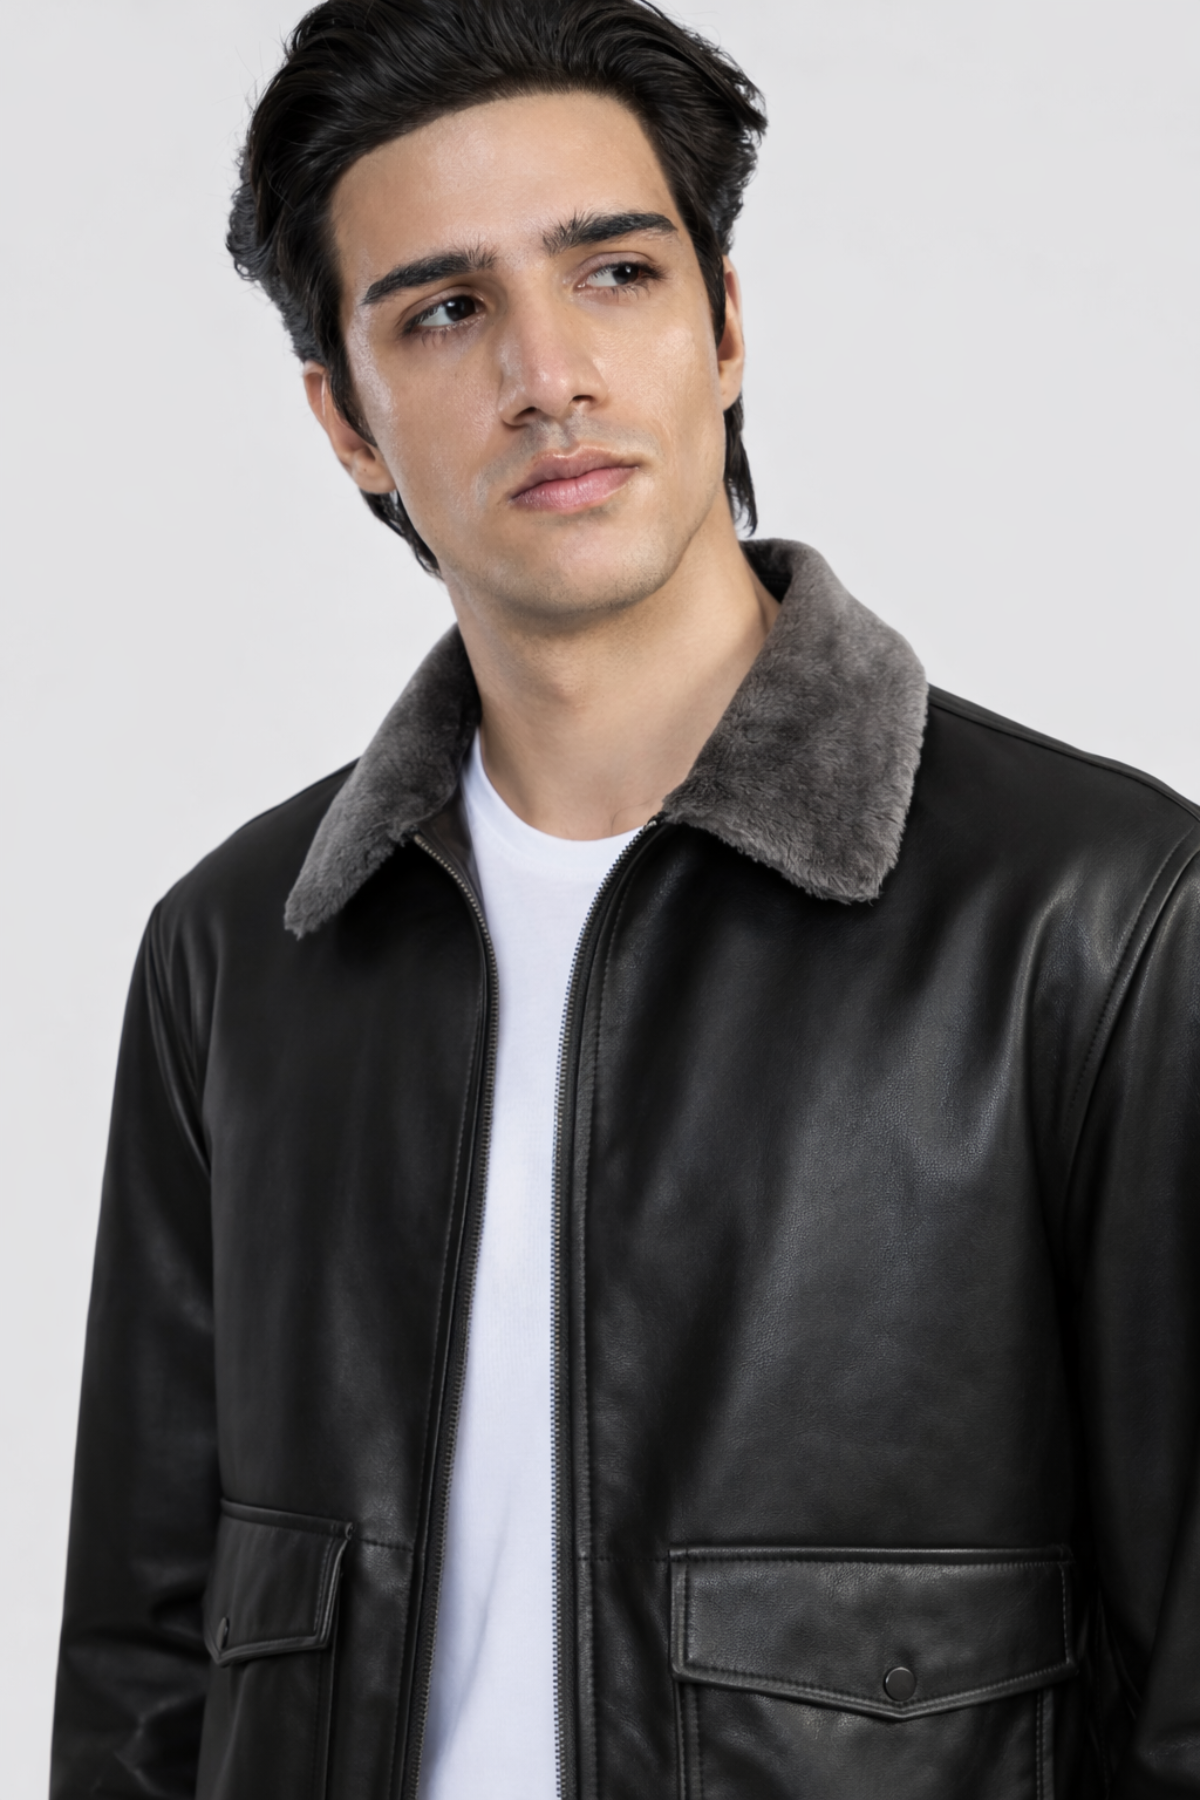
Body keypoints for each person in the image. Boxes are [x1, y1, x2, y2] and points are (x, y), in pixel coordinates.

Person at [50, 0, 1200, 1795]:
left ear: (723, 325)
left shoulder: (1099, 917)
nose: (548, 374)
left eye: (614, 274)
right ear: (347, 422)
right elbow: (140, 1679)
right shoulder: (237, 954)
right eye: (445, 311)